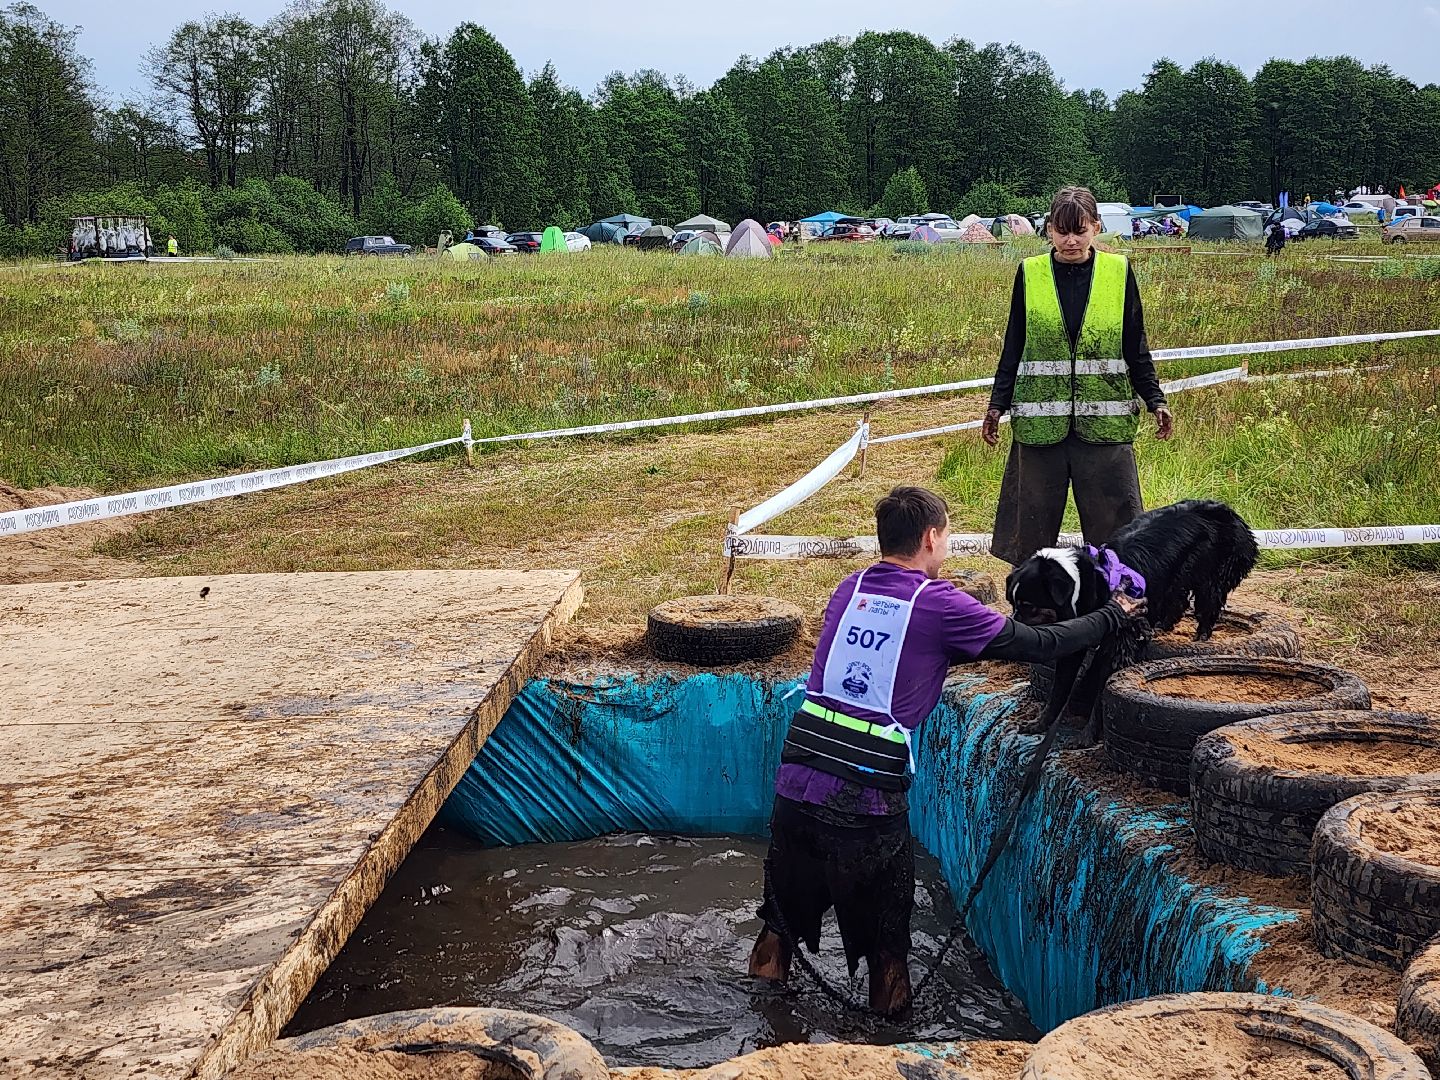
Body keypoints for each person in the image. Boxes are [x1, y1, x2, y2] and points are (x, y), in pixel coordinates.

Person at [748, 486, 1147, 1015]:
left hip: (797, 780)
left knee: (778, 925)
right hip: (867, 797)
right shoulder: (941, 604)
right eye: (948, 536)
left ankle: (760, 1031)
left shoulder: (849, 588)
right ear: (932, 537)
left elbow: (900, 659)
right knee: (889, 951)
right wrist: (1115, 614)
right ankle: (888, 1048)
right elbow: (1042, 644)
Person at [981, 186, 1173, 568]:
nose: (1071, 241)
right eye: (1062, 231)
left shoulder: (1119, 273)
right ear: (1049, 229)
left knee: (1118, 540)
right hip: (1040, 430)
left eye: (1080, 231)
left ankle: (1117, 611)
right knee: (1030, 538)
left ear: (1096, 228)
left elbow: (1135, 345)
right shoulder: (1029, 274)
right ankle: (1033, 614)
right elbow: (1014, 346)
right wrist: (996, 405)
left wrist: (1156, 399)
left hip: (1105, 428)